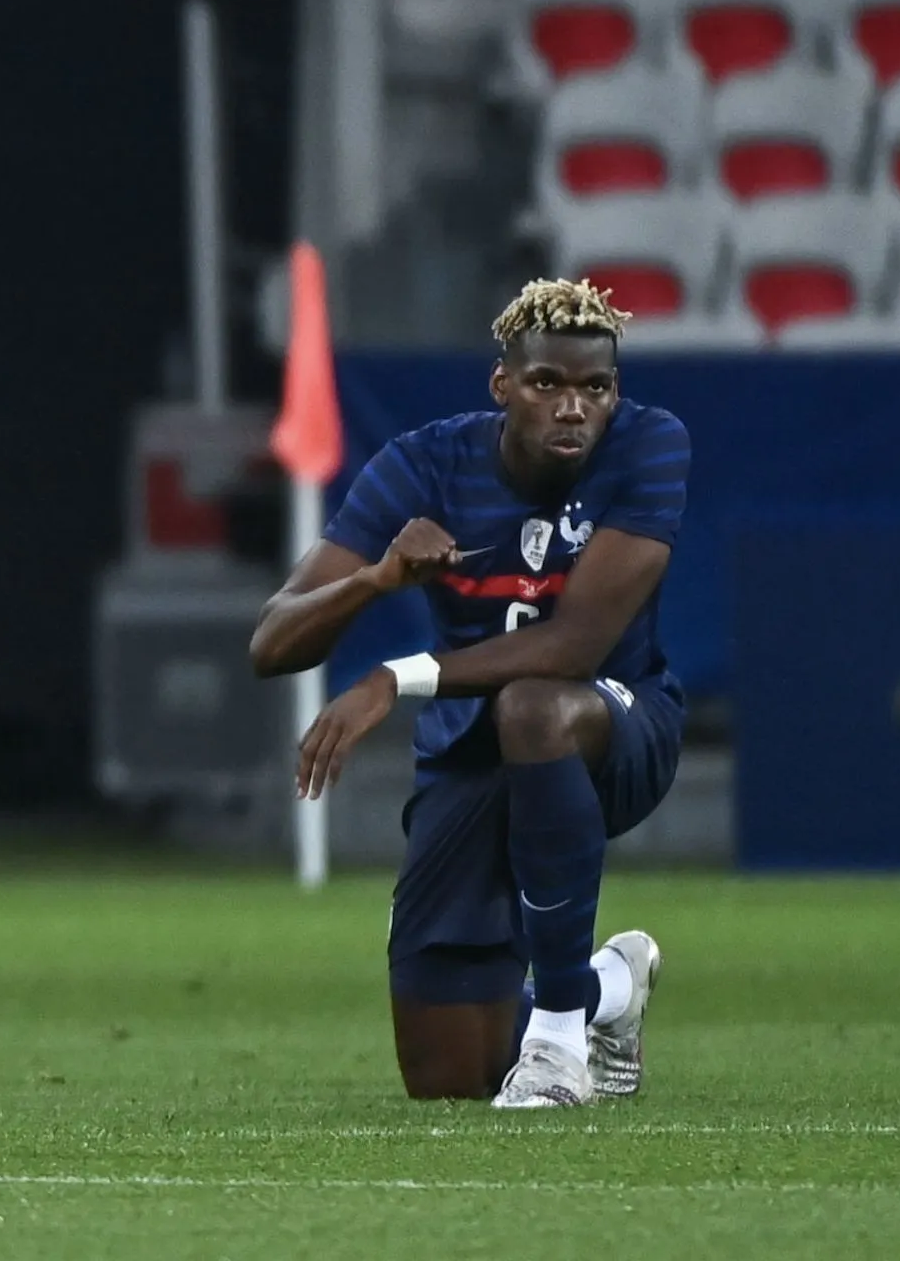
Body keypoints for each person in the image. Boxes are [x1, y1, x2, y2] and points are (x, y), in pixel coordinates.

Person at [248, 279, 688, 1109]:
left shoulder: (650, 446)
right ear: (502, 386)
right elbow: (272, 643)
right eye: (546, 383)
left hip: (616, 724)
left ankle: (558, 1042)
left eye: (594, 388)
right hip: (470, 749)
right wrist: (376, 579)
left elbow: (573, 648)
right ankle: (609, 988)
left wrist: (394, 676)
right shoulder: (425, 464)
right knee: (451, 1076)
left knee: (535, 706)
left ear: (615, 394)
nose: (573, 408)